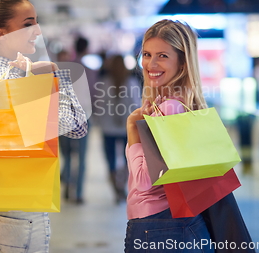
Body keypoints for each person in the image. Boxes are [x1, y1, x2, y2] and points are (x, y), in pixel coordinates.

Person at [0, 0, 87, 253]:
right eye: (28, 24)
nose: (37, 30)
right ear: (1, 33)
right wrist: (57, 76)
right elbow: (78, 127)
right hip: (18, 210)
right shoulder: (24, 80)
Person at [124, 20, 214, 253]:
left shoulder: (170, 108)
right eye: (146, 54)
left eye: (162, 55)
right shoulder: (168, 105)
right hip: (172, 226)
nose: (150, 64)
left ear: (182, 63)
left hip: (161, 226)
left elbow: (145, 181)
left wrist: (133, 128)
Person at [94, 54, 140, 204]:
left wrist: (100, 123)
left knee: (111, 160)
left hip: (108, 129)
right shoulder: (132, 82)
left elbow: (98, 106)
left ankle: (116, 190)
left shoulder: (104, 83)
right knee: (129, 159)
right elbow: (136, 106)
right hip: (127, 129)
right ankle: (123, 185)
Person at [58, 36, 95, 204]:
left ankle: (67, 185)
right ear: (86, 49)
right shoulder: (90, 71)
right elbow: (95, 95)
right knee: (81, 157)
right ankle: (78, 193)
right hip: (83, 118)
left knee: (66, 154)